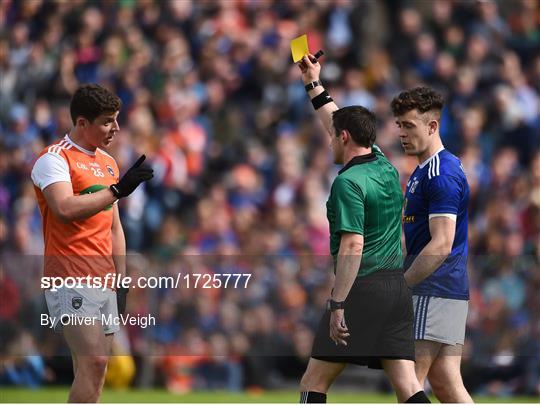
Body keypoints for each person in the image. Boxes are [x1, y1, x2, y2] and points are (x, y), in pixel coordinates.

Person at [297, 55, 429, 403]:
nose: (328, 142)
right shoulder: (385, 165)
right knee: (407, 385)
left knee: (314, 381)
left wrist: (338, 303)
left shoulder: (348, 183)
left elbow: (353, 246)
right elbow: (337, 120)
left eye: (333, 137)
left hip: (362, 287)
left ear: (344, 137)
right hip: (395, 287)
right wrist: (314, 83)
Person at [31, 84, 153, 402]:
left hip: (105, 279)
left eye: (116, 120)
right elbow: (64, 209)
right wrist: (116, 191)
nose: (116, 128)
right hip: (69, 275)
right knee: (96, 362)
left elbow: (114, 228)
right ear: (82, 123)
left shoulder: (108, 163)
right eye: (107, 121)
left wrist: (123, 281)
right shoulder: (53, 159)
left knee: (95, 373)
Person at [391, 87, 473, 403]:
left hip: (433, 288)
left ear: (432, 126)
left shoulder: (440, 172)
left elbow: (441, 244)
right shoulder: (425, 169)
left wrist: (400, 285)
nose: (401, 133)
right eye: (399, 125)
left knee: (409, 383)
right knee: (446, 384)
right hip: (445, 288)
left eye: (409, 125)